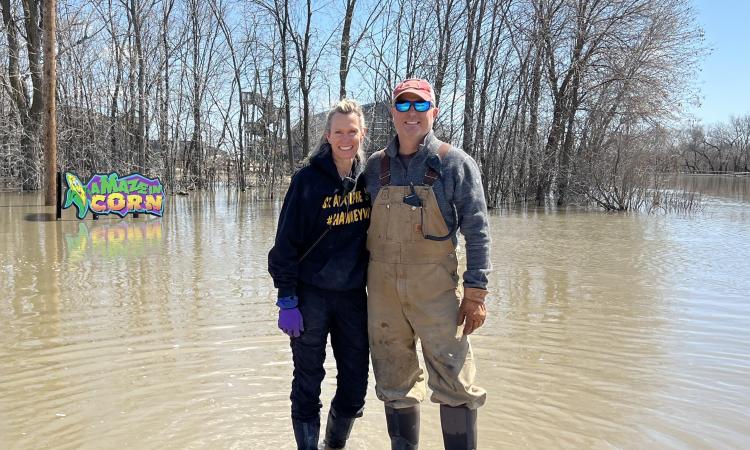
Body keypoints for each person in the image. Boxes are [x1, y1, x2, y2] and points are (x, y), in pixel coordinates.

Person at [364, 78, 491, 450]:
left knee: (456, 384)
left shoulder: (455, 164)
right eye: (403, 106)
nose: (411, 114)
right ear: (392, 113)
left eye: (420, 106)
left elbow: (478, 231)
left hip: (437, 294)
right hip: (384, 296)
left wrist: (475, 293)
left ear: (433, 111)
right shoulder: (374, 167)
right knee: (394, 382)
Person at [268, 99, 371, 450]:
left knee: (356, 384)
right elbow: (284, 245)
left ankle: (334, 445)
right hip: (310, 296)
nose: (346, 138)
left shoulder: (370, 179)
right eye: (338, 132)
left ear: (362, 134)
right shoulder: (307, 180)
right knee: (308, 381)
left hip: (354, 297)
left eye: (352, 131)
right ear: (328, 136)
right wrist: (287, 300)